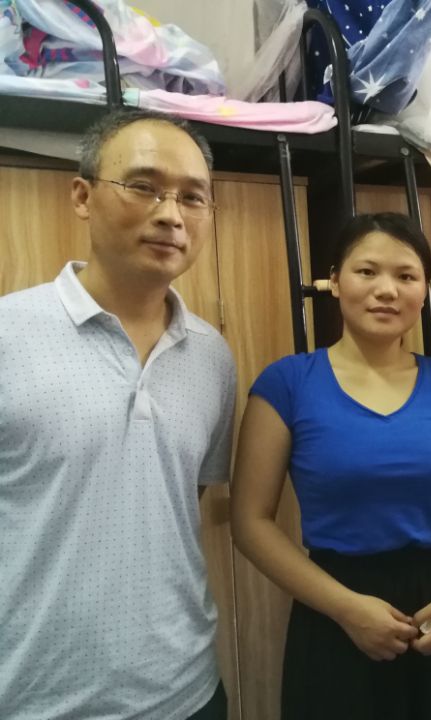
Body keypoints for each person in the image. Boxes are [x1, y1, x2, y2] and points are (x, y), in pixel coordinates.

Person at [0, 109, 236, 719]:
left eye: (193, 198)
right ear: (82, 196)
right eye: (143, 187)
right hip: (34, 699)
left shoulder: (212, 356)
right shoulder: (8, 334)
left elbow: (183, 499)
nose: (171, 214)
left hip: (188, 692)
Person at [230, 212, 431, 720]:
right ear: (335, 281)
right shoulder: (287, 383)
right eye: (367, 271)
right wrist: (346, 609)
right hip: (335, 609)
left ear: (425, 289)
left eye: (406, 275)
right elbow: (250, 522)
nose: (387, 290)